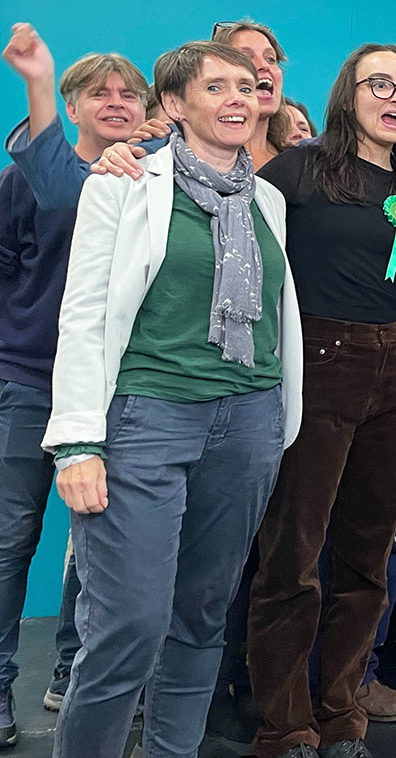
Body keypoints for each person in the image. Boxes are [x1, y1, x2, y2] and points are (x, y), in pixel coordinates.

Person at [41, 39, 301, 758]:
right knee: (128, 624)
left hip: (249, 422)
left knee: (202, 618)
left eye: (246, 86)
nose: (236, 99)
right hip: (145, 419)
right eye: (215, 86)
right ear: (175, 106)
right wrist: (78, 442)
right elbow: (84, 315)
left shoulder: (269, 200)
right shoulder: (121, 183)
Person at [243, 44, 396, 758]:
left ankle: (341, 716)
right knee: (293, 555)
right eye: (382, 84)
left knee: (368, 556)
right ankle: (284, 725)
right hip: (316, 364)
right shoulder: (297, 169)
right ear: (349, 92)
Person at [0, 23, 148, 748]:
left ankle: (72, 671)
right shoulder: (31, 175)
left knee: (100, 541)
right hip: (29, 380)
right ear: (73, 104)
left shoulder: (151, 176)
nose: (115, 103)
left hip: (114, 387)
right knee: (12, 537)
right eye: (100, 92)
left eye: (129, 93)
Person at [211, 20, 289, 169]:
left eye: (270, 59)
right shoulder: (185, 158)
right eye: (245, 58)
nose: (264, 66)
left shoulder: (302, 163)